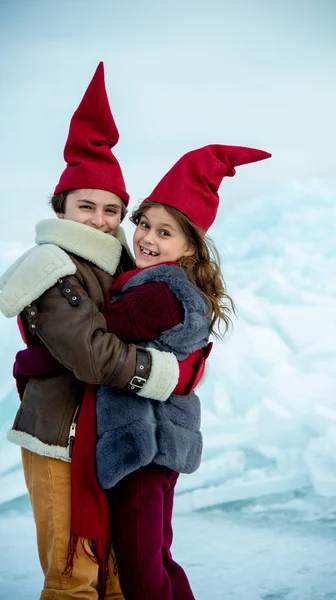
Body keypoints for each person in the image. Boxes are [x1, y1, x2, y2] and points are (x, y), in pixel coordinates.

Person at [0, 62, 181, 600]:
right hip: (61, 437)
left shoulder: (116, 267)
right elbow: (91, 355)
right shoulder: (52, 265)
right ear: (62, 207)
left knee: (119, 574)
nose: (100, 220)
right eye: (87, 206)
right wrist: (164, 372)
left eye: (112, 210)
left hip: (105, 438)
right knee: (73, 575)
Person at [90, 144, 272, 599]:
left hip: (142, 445)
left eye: (164, 232)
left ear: (190, 245)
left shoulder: (157, 292)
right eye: (145, 225)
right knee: (157, 556)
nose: (147, 238)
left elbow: (93, 334)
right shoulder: (172, 284)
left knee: (139, 567)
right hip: (160, 444)